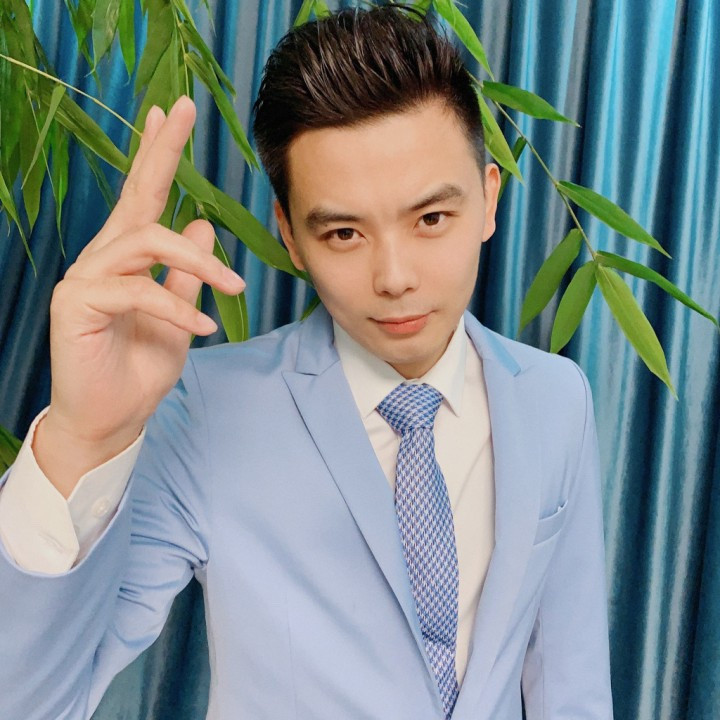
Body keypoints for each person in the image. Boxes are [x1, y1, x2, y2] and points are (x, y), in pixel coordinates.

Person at [0, 5, 613, 719]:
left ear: (488, 199)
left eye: (431, 219)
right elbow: (31, 702)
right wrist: (82, 439)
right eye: (344, 233)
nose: (394, 278)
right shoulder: (205, 411)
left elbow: (572, 688)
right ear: (290, 237)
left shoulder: (555, 397)